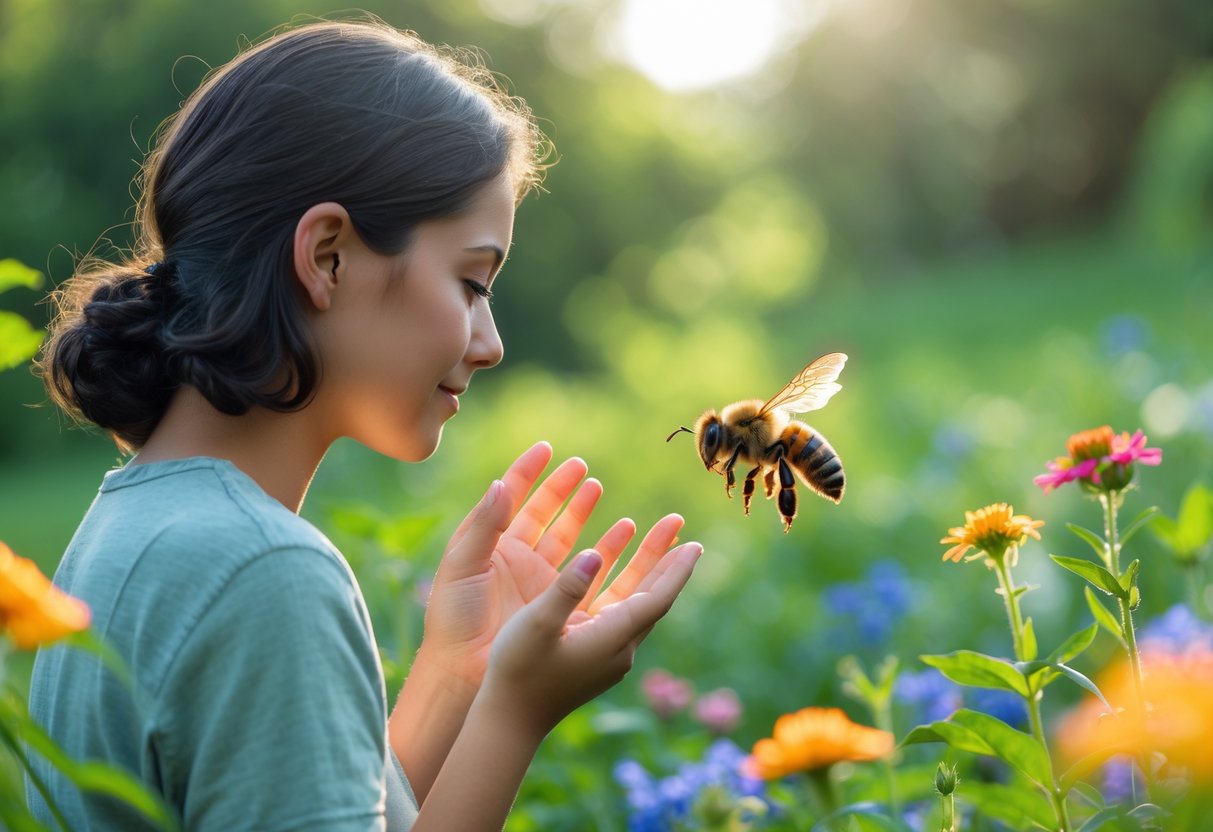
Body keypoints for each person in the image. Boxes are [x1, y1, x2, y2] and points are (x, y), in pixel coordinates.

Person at [29, 18, 702, 831]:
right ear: (328, 257)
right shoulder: (264, 572)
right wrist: (515, 711)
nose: (489, 345)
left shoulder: (135, 524)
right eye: (471, 282)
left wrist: (459, 674)